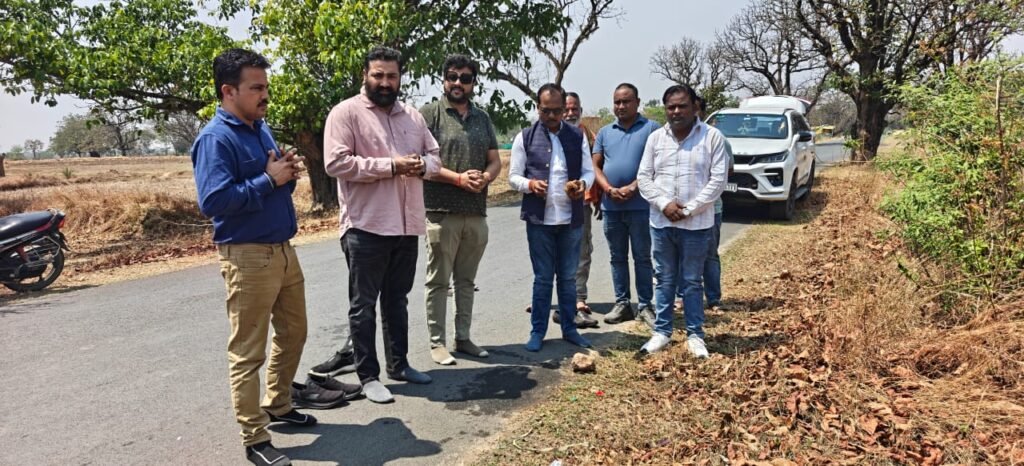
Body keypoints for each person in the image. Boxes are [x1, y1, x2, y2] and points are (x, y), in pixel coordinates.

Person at [192, 48, 318, 466]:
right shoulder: (216, 138)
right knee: (248, 352)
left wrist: (285, 174)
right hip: (247, 256)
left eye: (266, 86)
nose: (265, 95)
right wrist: (268, 179)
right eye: (256, 88)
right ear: (228, 91)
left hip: (283, 251)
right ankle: (255, 439)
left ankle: (278, 403)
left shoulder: (260, 128)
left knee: (294, 332)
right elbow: (213, 201)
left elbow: (274, 182)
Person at [323, 46, 443, 404]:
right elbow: (336, 163)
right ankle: (368, 376)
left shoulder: (412, 117)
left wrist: (421, 166)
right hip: (366, 227)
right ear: (365, 75)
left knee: (397, 300)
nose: (385, 82)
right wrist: (390, 166)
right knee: (363, 305)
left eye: (392, 76)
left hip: (406, 226)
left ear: (400, 78)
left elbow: (435, 158)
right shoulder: (346, 113)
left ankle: (399, 365)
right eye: (378, 75)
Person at [418, 54, 502, 365]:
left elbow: (494, 160)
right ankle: (437, 343)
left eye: (465, 78)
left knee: (466, 282)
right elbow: (421, 163)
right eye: (452, 77)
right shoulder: (429, 115)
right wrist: (458, 179)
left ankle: (463, 338)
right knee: (438, 282)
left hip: (476, 213)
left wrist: (486, 178)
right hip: (442, 212)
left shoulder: (482, 118)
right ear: (443, 80)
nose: (458, 83)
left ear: (473, 83)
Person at [637, 84, 728, 358]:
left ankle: (695, 335)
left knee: (691, 281)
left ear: (694, 107)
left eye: (682, 106)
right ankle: (662, 332)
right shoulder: (655, 139)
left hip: (696, 225)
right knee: (664, 279)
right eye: (671, 107)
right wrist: (664, 204)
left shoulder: (712, 137)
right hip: (662, 223)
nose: (676, 111)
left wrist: (688, 210)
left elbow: (718, 181)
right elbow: (644, 177)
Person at [509, 83, 595, 352]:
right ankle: (537, 331)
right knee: (543, 278)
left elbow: (589, 171)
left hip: (570, 220)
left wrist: (582, 184)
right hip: (540, 221)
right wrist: (530, 185)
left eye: (557, 111)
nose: (552, 116)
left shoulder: (577, 135)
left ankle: (569, 329)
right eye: (546, 111)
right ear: (538, 108)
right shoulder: (525, 137)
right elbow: (513, 176)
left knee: (568, 278)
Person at [591, 83, 661, 327]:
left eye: (626, 101)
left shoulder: (652, 129)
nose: (621, 106)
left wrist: (634, 187)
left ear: (637, 102)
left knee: (642, 257)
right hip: (612, 207)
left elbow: (658, 165)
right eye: (617, 102)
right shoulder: (604, 132)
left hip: (641, 206)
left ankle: (645, 305)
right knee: (617, 257)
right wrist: (608, 189)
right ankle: (622, 304)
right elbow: (595, 166)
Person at [675, 96, 733, 312]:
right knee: (681, 256)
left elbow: (727, 171)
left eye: (695, 109)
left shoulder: (716, 138)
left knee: (709, 255)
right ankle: (681, 297)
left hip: (710, 209)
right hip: (680, 211)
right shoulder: (674, 138)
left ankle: (714, 298)